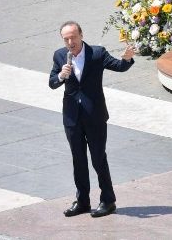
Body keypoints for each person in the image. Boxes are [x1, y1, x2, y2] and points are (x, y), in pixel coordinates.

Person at [49, 21, 136, 219]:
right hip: (72, 116)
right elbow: (52, 82)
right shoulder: (60, 55)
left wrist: (127, 59)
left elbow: (119, 66)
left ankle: (108, 200)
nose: (70, 42)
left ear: (81, 35)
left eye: (73, 37)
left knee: (98, 158)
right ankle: (82, 201)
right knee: (78, 160)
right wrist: (61, 76)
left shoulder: (97, 53)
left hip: (94, 116)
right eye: (66, 39)